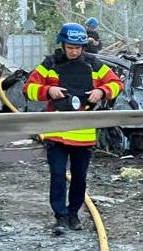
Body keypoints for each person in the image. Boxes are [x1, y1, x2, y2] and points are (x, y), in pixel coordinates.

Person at [24, 22, 123, 236]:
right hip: (56, 132)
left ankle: (74, 214)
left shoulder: (94, 65)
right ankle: (60, 217)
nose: (74, 52)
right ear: (62, 45)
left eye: (78, 48)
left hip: (83, 133)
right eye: (70, 47)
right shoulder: (50, 64)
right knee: (57, 175)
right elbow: (28, 88)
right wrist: (48, 90)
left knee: (79, 177)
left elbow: (117, 84)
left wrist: (102, 92)